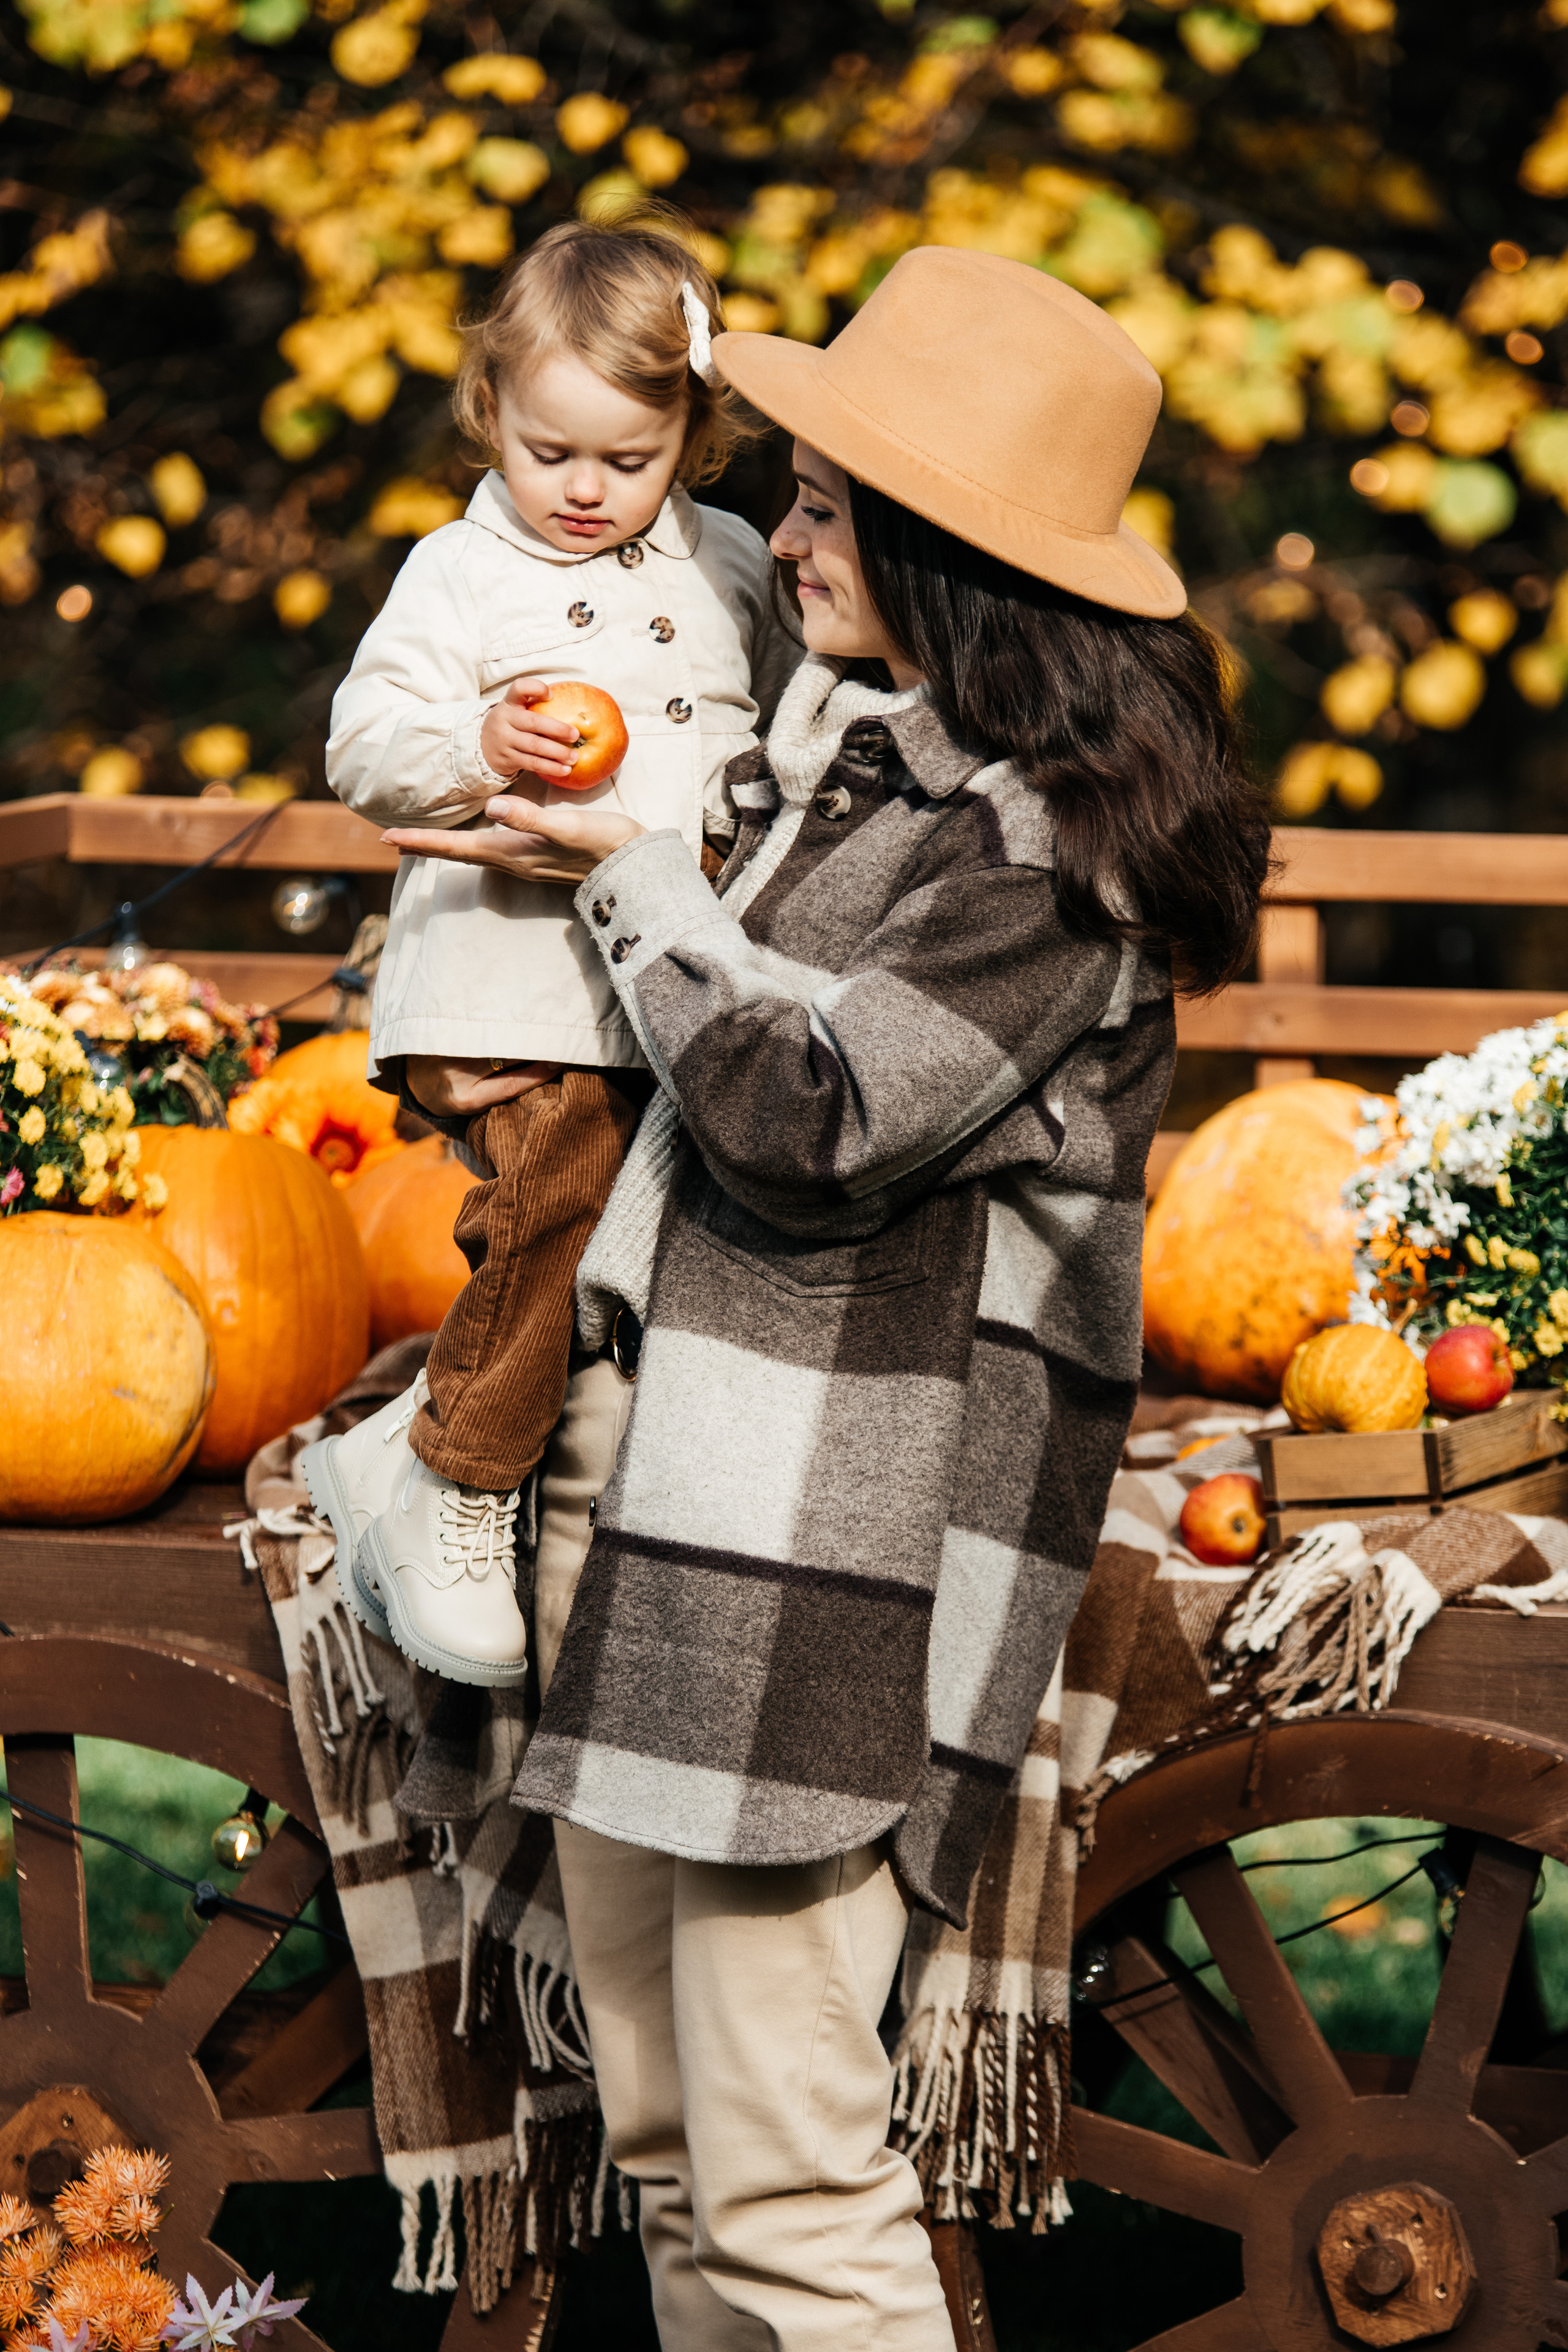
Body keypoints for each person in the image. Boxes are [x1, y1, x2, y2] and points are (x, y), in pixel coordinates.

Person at [382, 246, 1270, 2350]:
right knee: (674, 2141)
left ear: (947, 561)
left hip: (825, 1540)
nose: (774, 536)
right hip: (672, 1485)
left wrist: (627, 873)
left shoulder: (1057, 865)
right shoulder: (859, 756)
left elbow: (805, 1113)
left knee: (789, 2177)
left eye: (821, 510)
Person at [304, 217, 799, 1686]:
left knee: (628, 1238)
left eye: (625, 460)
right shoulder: (458, 571)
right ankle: (457, 1488)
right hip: (502, 981)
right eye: (547, 450)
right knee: (560, 1169)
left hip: (660, 988)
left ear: (692, 439)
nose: (582, 491)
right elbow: (361, 744)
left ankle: (408, 1442)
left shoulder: (732, 569)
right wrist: (473, 741)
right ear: (491, 415)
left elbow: (774, 741)